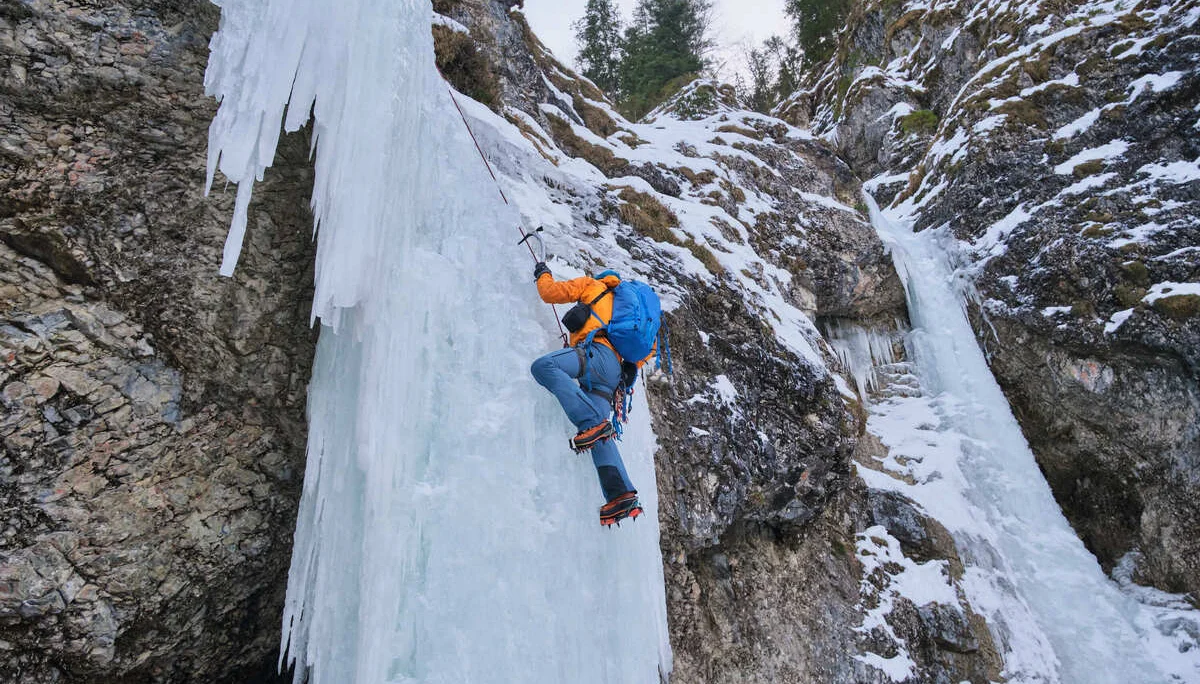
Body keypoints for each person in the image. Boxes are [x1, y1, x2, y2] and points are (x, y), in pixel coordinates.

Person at [530, 262, 650, 526]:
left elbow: (549, 293)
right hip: (613, 376)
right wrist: (633, 366)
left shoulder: (591, 285)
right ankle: (621, 495)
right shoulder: (628, 316)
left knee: (543, 366)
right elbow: (648, 350)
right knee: (600, 432)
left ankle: (589, 423)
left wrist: (542, 273)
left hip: (595, 356)